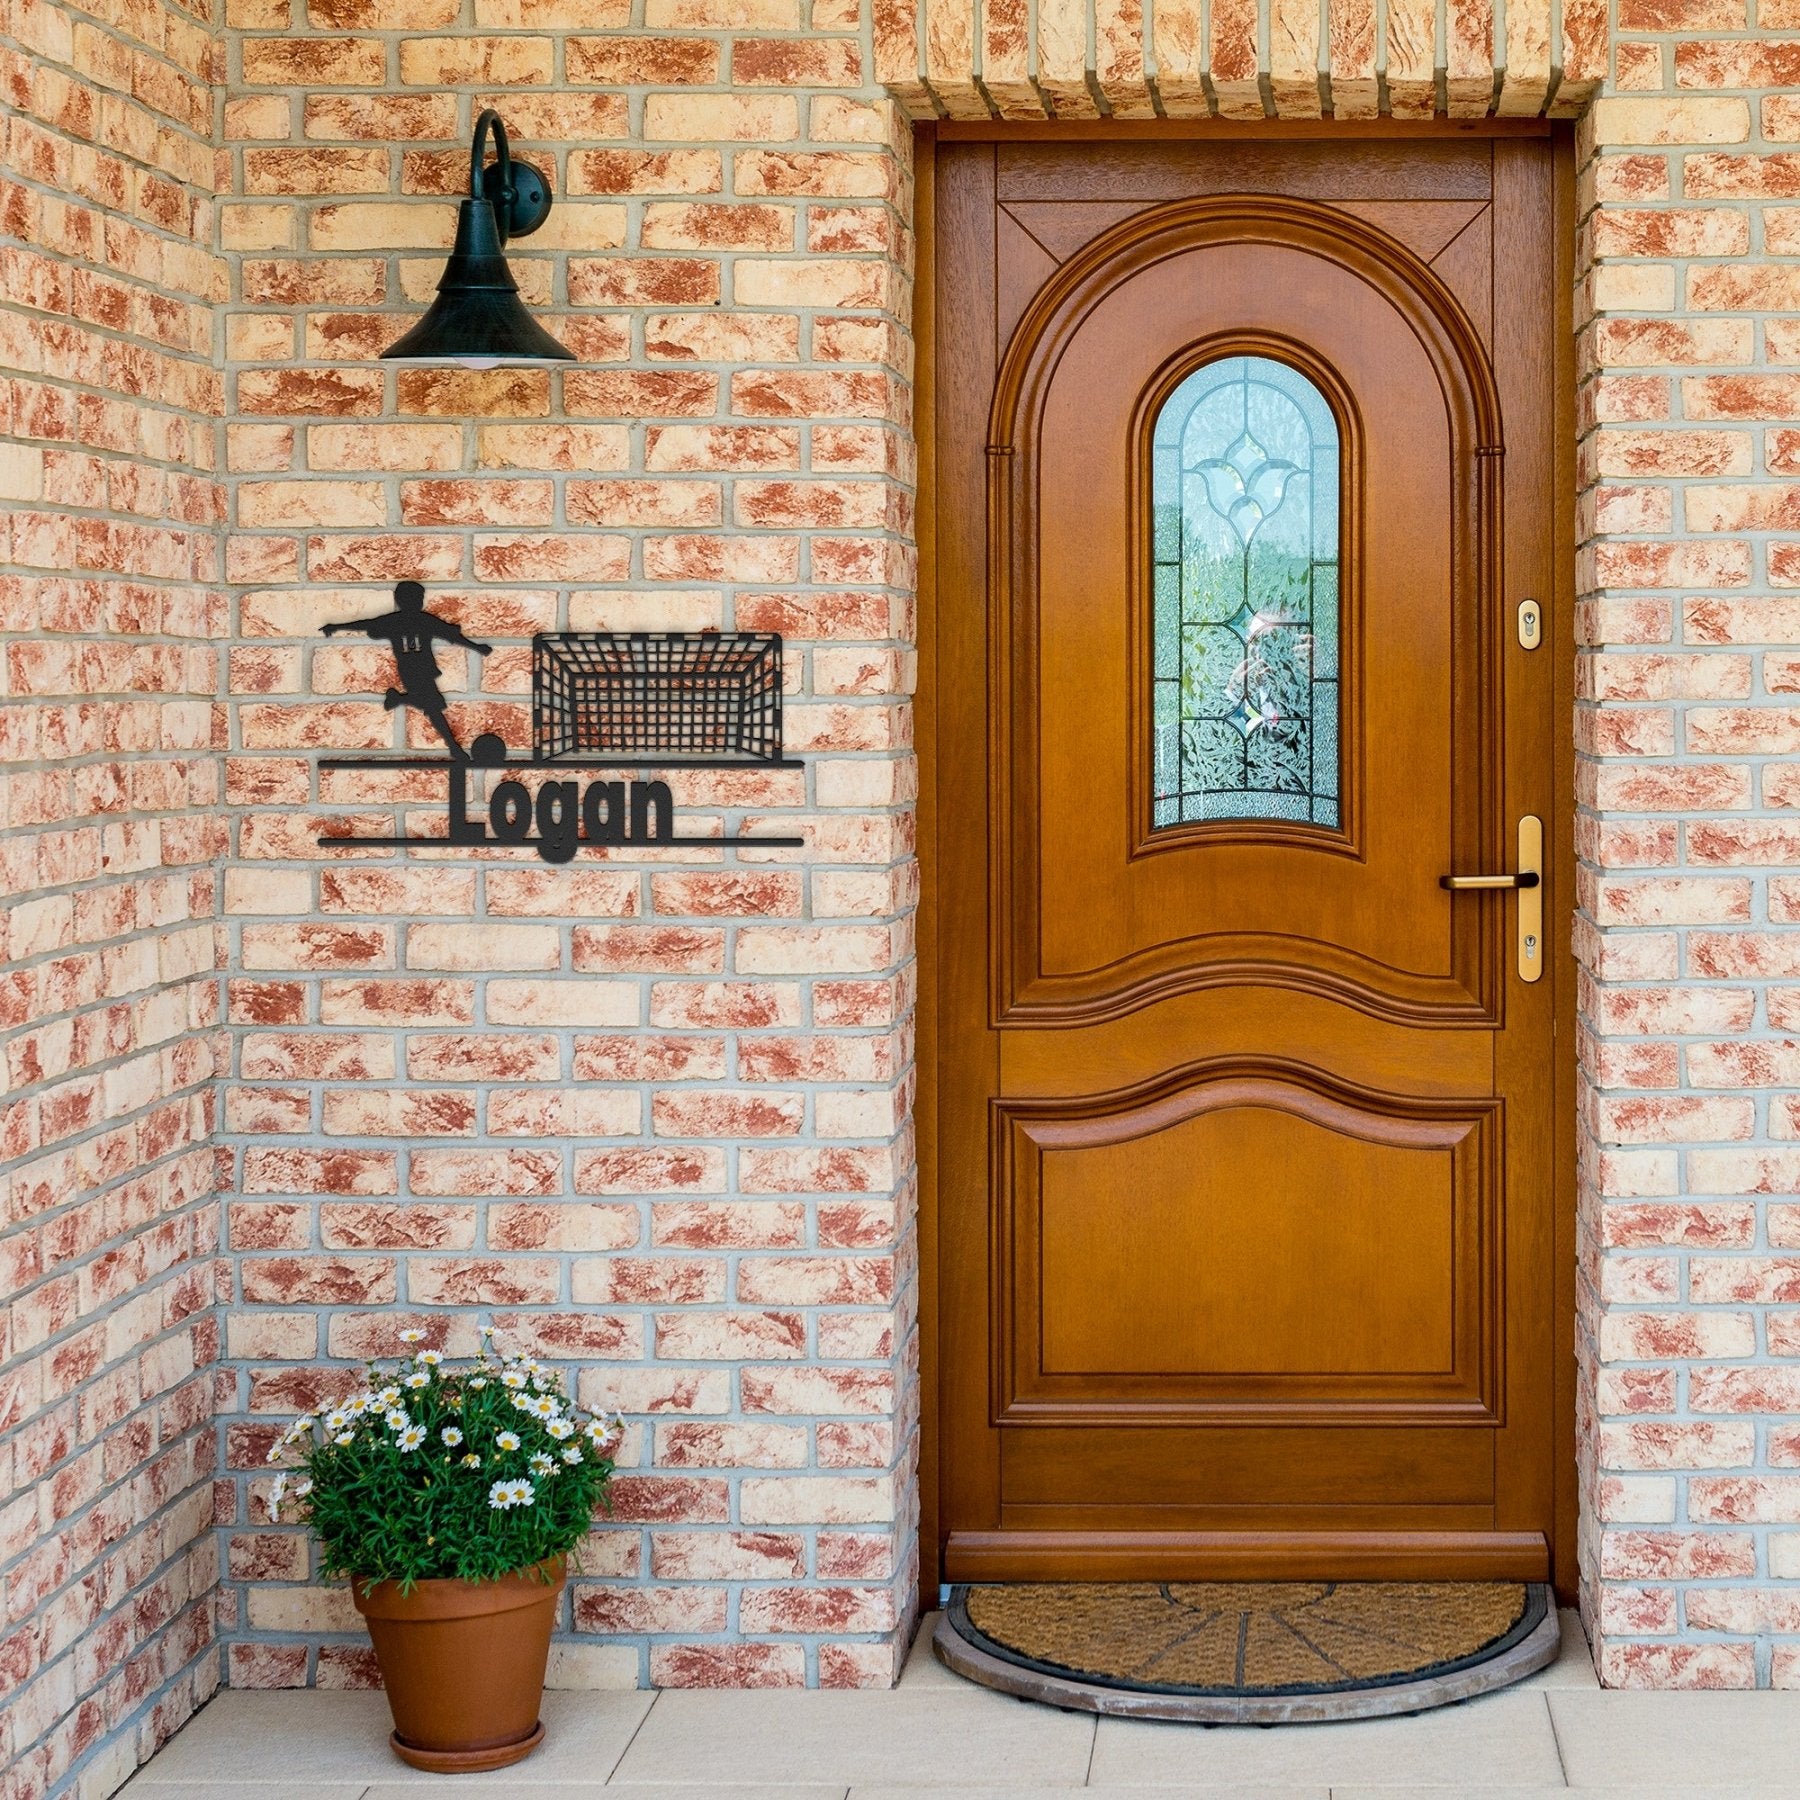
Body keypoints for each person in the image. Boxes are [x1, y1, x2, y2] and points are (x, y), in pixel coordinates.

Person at [323, 581, 493, 759]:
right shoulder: (398, 621)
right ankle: (453, 747)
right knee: (433, 706)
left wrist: (477, 647)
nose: (418, 602)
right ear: (402, 600)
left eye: (419, 599)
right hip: (411, 670)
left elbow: (451, 635)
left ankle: (399, 699)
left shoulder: (423, 620)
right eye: (416, 598)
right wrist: (336, 626)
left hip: (423, 669)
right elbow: (366, 624)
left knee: (431, 704)